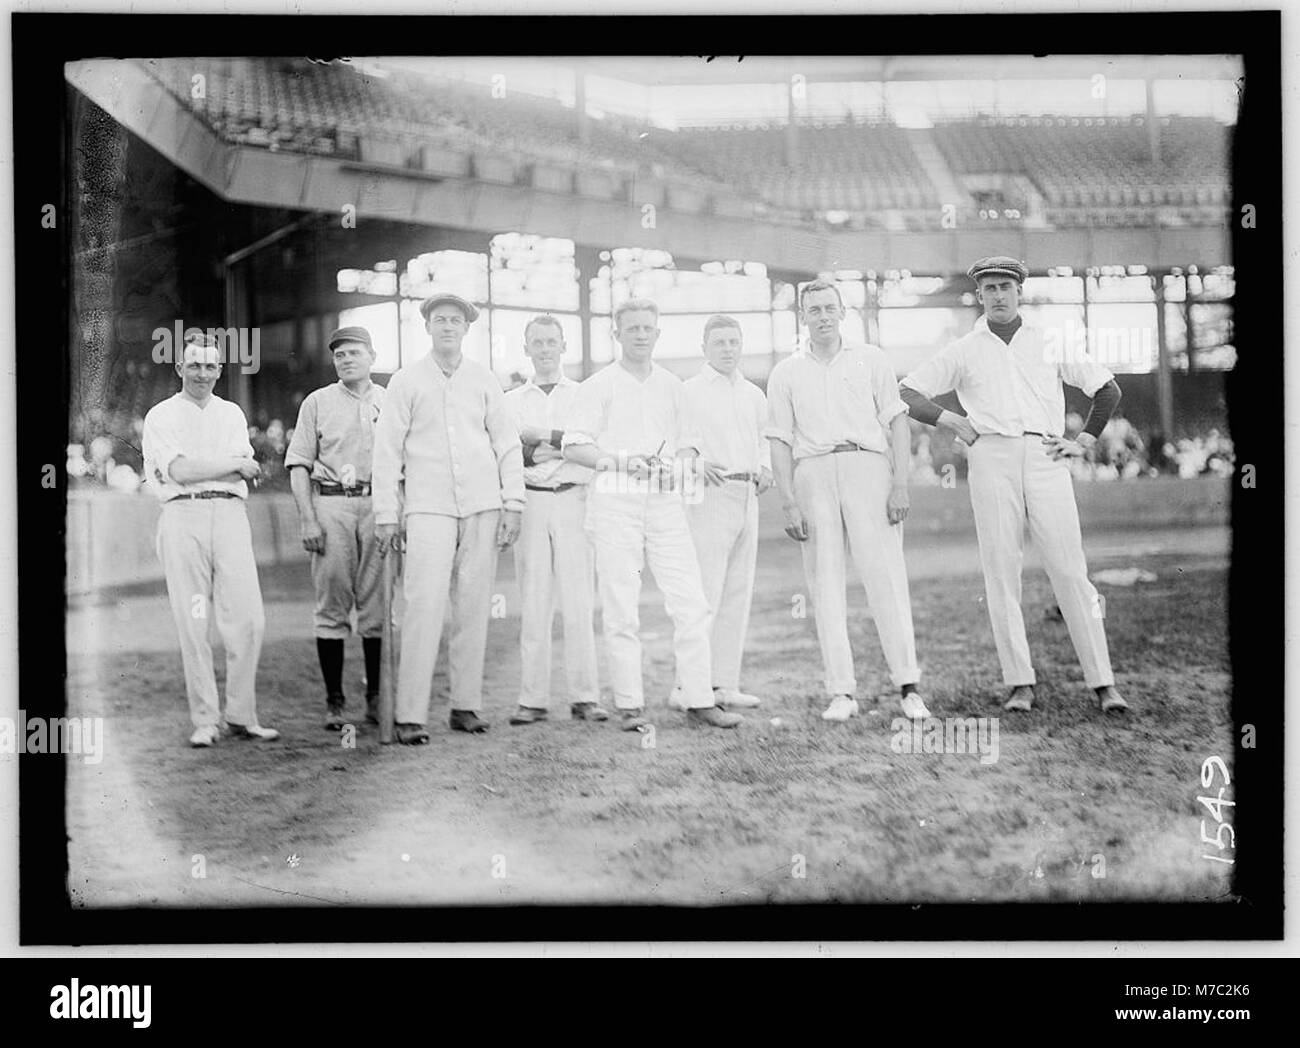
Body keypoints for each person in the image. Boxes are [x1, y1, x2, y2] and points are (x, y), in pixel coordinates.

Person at [899, 255, 1128, 713]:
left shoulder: (1047, 340)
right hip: (990, 456)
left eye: (1006, 286)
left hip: (1045, 454)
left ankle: (1103, 683)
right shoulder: (964, 348)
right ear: (979, 295)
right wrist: (951, 420)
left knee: (1069, 569)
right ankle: (1019, 682)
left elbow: (1107, 388)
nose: (999, 295)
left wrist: (1081, 440)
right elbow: (906, 391)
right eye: (990, 289)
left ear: (1019, 291)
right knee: (1002, 572)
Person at [562, 298, 742, 731]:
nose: (641, 335)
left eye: (648, 328)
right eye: (632, 328)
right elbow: (574, 446)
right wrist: (622, 462)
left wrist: (676, 465)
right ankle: (630, 706)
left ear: (658, 334)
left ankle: (699, 699)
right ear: (617, 334)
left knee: (692, 602)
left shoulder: (672, 386)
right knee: (622, 605)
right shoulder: (598, 385)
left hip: (663, 502)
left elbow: (688, 444)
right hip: (614, 501)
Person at [765, 279, 931, 723]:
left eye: (828, 308)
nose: (822, 316)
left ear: (842, 312)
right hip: (813, 472)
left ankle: (908, 687)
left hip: (867, 468)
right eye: (813, 309)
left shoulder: (871, 359)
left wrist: (900, 483)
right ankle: (842, 691)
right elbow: (779, 441)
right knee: (824, 582)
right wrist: (787, 501)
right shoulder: (786, 372)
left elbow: (897, 424)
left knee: (886, 579)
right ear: (803, 316)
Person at [371, 293, 525, 744]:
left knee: (474, 607)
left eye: (455, 321)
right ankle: (410, 715)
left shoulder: (483, 379)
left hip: (482, 504)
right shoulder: (405, 380)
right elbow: (387, 451)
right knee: (423, 606)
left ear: (466, 328)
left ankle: (465, 706)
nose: (447, 327)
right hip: (427, 507)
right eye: (439, 320)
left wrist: (513, 502)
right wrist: (386, 513)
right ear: (427, 327)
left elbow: (507, 443)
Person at [141, 334, 279, 747]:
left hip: (230, 517)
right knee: (194, 619)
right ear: (180, 368)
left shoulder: (231, 413)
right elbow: (180, 472)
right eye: (194, 365)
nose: (202, 373)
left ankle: (241, 715)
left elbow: (247, 472)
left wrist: (230, 468)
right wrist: (232, 464)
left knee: (249, 618)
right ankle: (205, 719)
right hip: (184, 515)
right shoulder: (161, 415)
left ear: (220, 370)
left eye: (210, 366)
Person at [502, 315, 608, 725]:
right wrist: (561, 443)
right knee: (534, 601)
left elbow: (593, 445)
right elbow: (513, 453)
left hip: (573, 498)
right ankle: (532, 699)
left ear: (563, 346)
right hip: (531, 501)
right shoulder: (510, 400)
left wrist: (544, 439)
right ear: (526, 348)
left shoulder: (585, 394)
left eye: (551, 342)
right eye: (537, 343)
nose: (544, 349)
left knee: (579, 602)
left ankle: (585, 696)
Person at [284, 325, 386, 731]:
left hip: (379, 502)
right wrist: (308, 518)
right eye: (339, 354)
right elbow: (298, 465)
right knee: (331, 605)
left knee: (377, 606)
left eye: (354, 353)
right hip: (331, 502)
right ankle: (335, 701)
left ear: (372, 357)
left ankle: (377, 697)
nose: (346, 360)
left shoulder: (391, 400)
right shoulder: (317, 401)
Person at [670, 315, 771, 711]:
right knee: (704, 595)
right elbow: (681, 445)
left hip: (748, 494)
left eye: (733, 341)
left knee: (737, 593)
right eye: (719, 343)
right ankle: (686, 687)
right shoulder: (689, 391)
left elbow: (764, 439)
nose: (728, 349)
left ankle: (724, 683)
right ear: (704, 349)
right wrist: (695, 464)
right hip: (710, 494)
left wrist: (765, 468)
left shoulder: (753, 394)